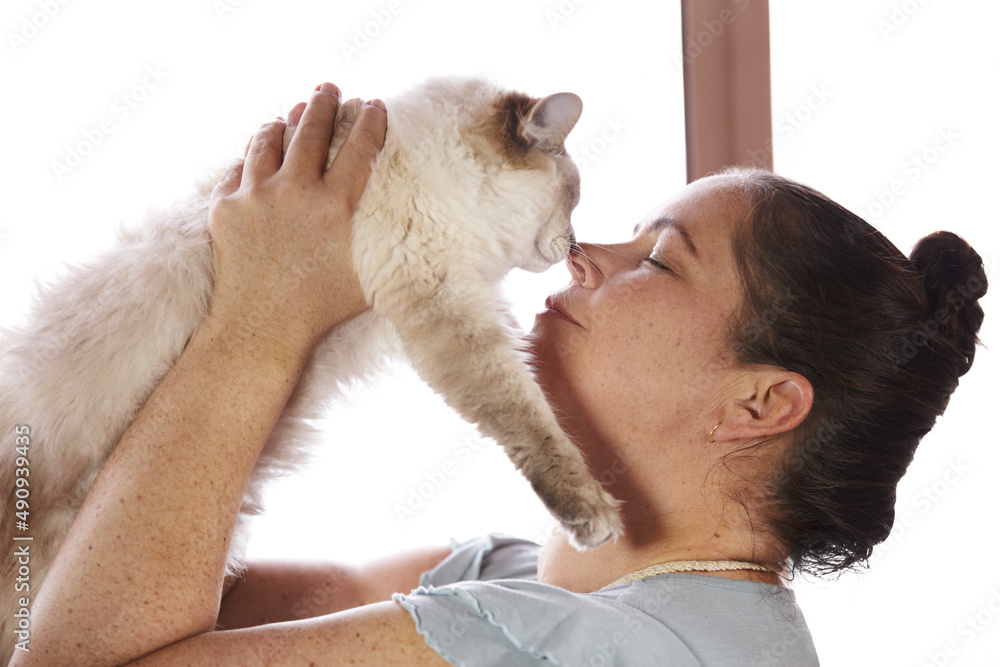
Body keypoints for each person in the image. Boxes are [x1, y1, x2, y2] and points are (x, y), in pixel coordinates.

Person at [13, 82, 987, 666]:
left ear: (760, 401)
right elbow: (74, 602)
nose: (585, 256)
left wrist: (260, 320)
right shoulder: (526, 582)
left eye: (658, 258)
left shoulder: (618, 651)